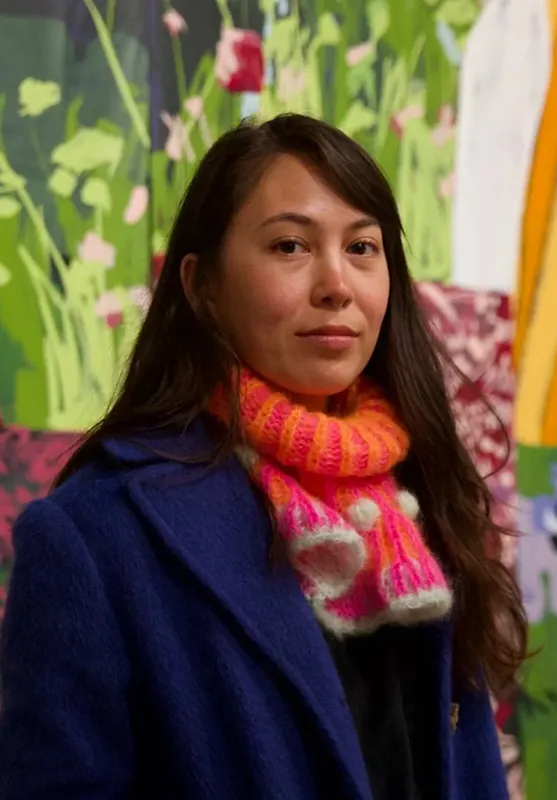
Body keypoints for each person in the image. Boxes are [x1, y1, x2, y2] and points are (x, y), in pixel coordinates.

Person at [0, 114, 526, 799]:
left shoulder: (419, 497)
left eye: (363, 248)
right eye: (290, 246)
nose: (337, 283)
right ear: (202, 289)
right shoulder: (96, 536)